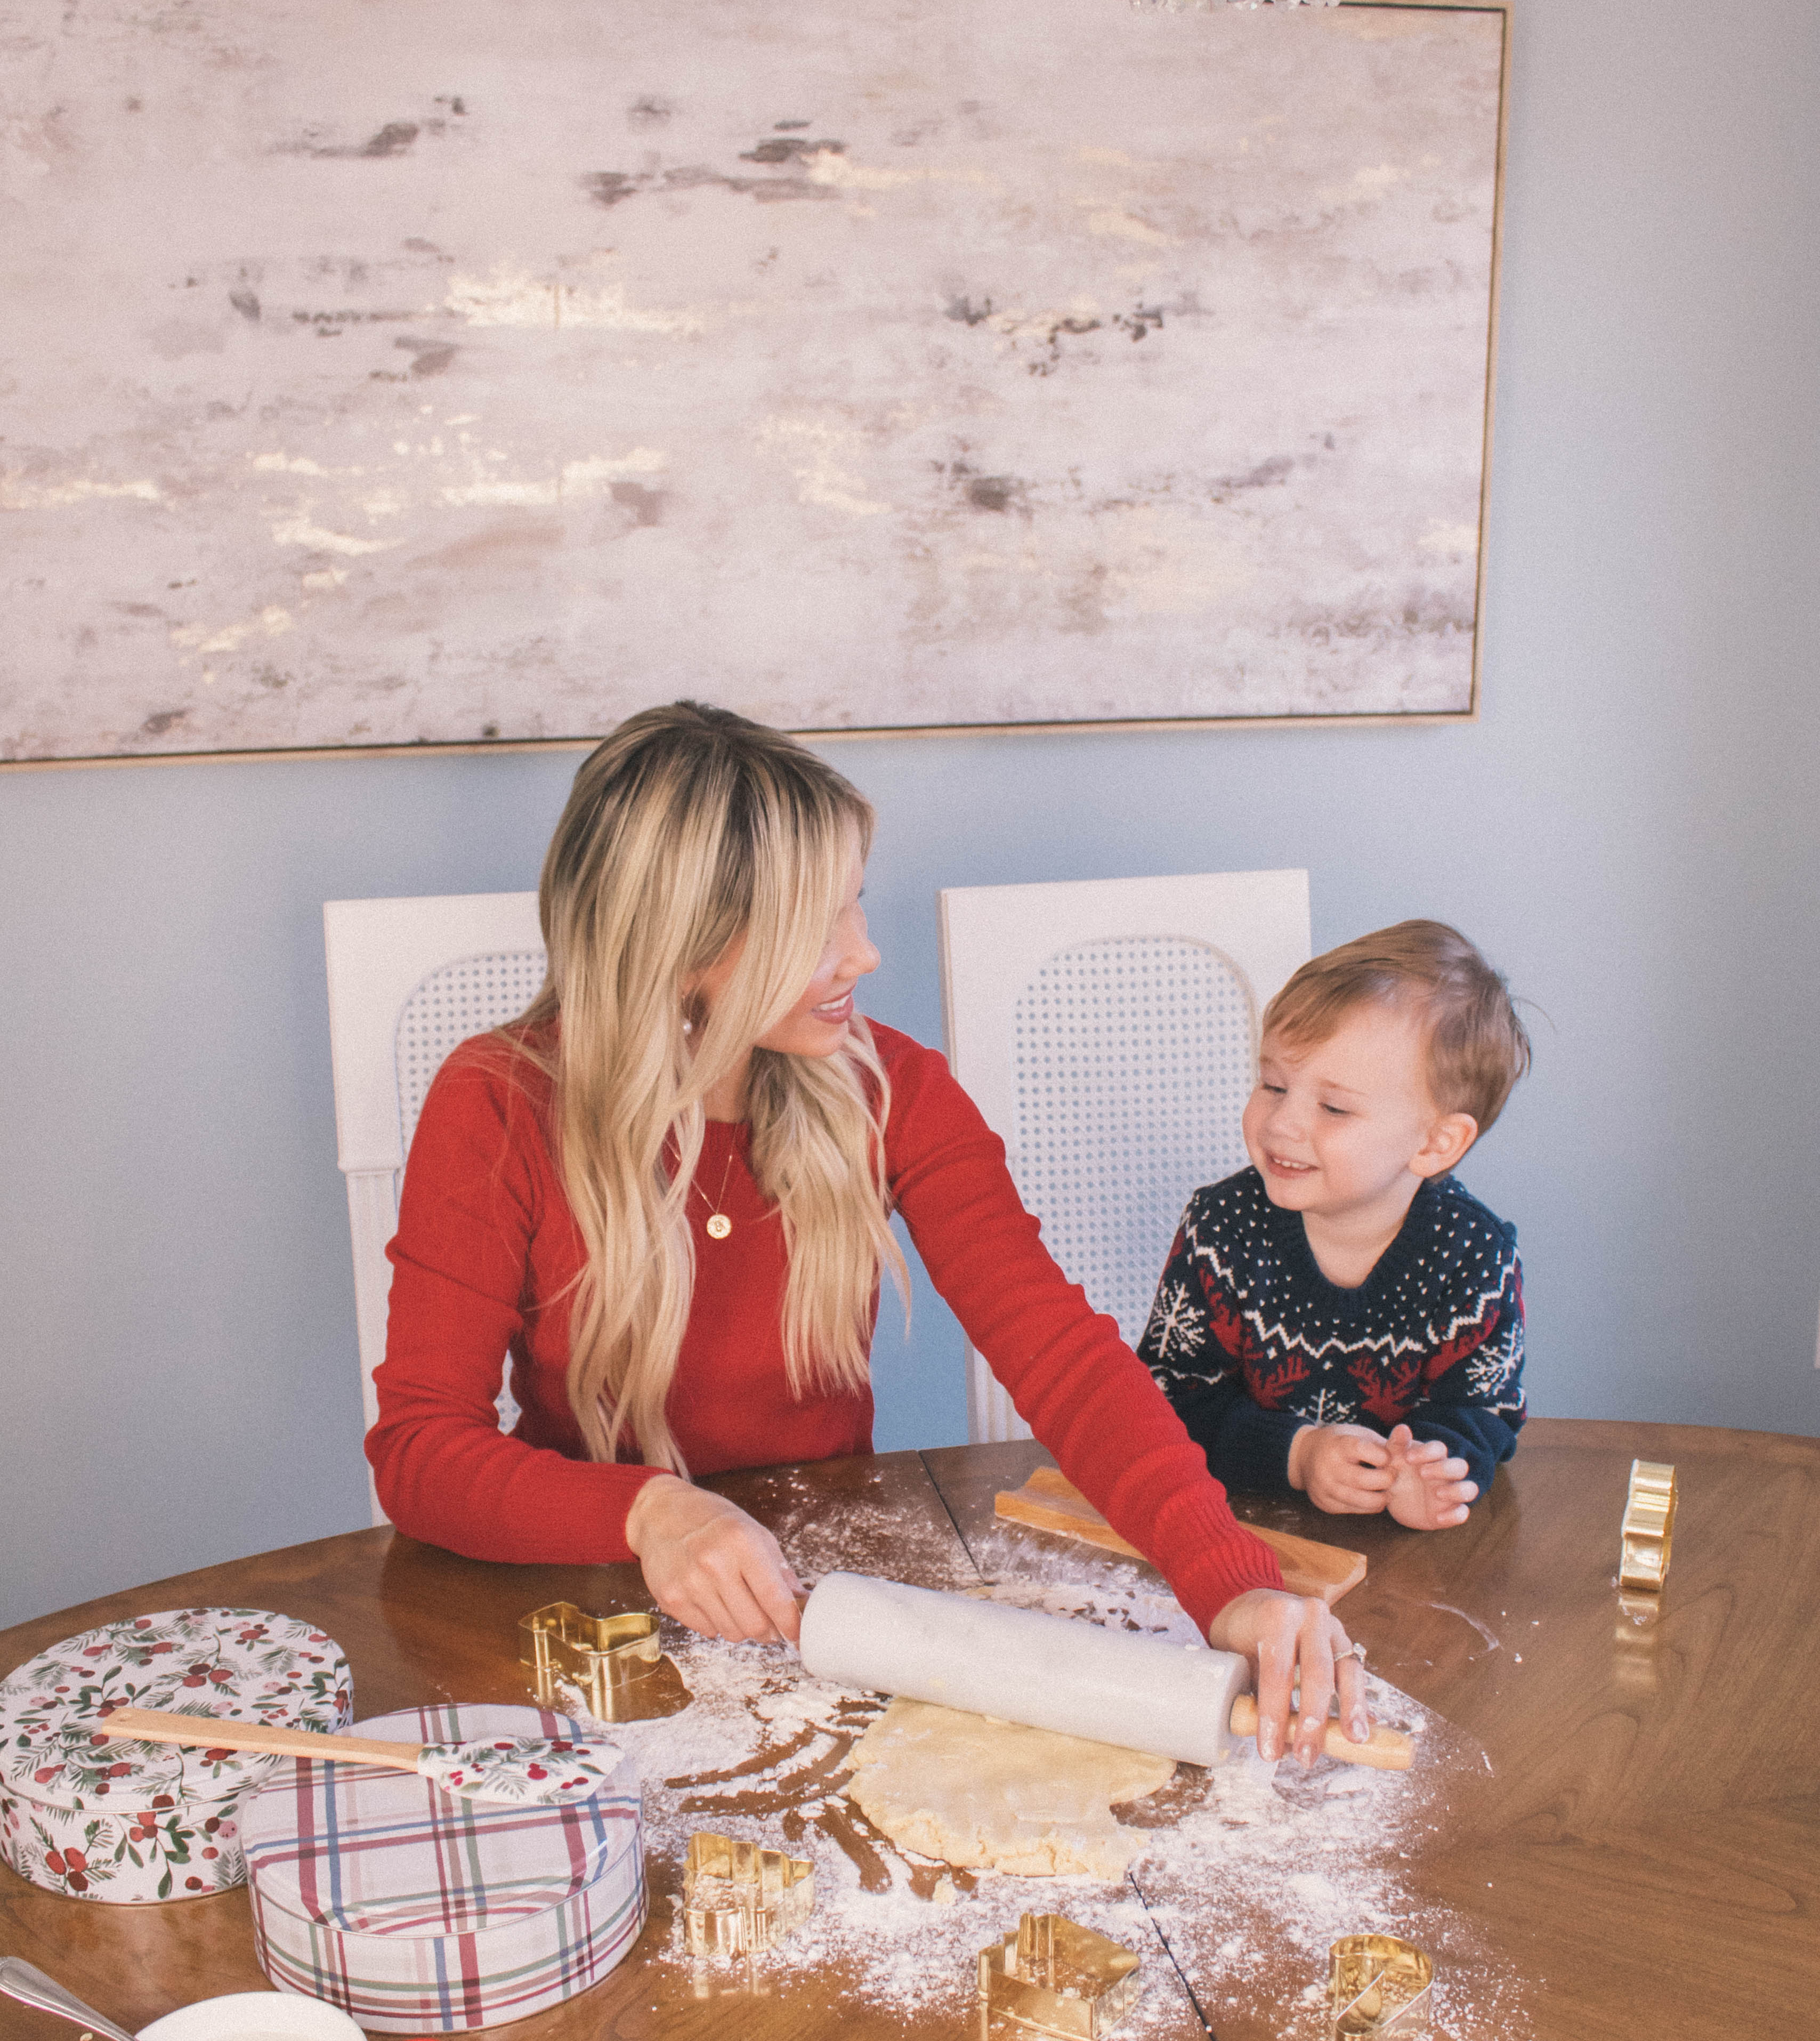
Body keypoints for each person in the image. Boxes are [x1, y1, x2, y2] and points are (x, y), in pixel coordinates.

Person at [368, 703, 1372, 1765]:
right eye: (821, 925)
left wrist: (1232, 1583)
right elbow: (420, 1452)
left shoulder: (895, 1090)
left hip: (824, 1607)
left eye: (857, 904)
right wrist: (651, 1513)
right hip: (577, 1606)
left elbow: (1062, 1355)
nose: (867, 950)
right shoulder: (498, 1102)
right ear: (682, 946)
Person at [1140, 920, 1529, 1531]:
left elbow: (1482, 1409)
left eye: (1333, 1106)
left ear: (1435, 1142)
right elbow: (1166, 1403)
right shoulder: (1221, 1229)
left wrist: (1431, 1470)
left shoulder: (1473, 1253)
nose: (1281, 1124)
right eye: (1273, 1084)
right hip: (1244, 1537)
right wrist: (1295, 1454)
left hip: (1407, 1560)